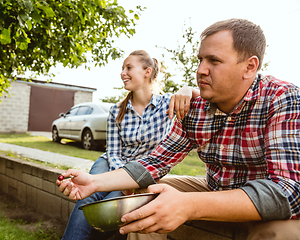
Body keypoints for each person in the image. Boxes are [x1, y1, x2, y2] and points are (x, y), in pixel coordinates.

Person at [57, 18, 300, 240]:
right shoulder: (196, 108)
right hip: (215, 188)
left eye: (214, 61)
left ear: (249, 67)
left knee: (278, 233)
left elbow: (287, 191)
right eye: (200, 60)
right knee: (145, 198)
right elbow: (155, 161)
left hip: (265, 204)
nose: (200, 70)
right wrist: (94, 182)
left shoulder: (282, 98)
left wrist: (189, 205)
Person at [60, 50, 199, 240]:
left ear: (147, 72)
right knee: (88, 197)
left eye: (129, 68)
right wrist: (120, 176)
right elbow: (113, 151)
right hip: (111, 162)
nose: (123, 73)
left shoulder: (168, 104)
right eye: (122, 69)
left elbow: (198, 99)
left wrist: (187, 88)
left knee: (112, 204)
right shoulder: (117, 110)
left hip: (142, 170)